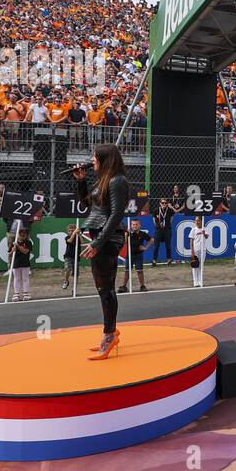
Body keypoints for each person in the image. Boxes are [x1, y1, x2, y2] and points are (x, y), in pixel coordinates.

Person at [75, 144, 131, 359]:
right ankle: (111, 330)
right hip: (100, 236)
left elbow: (116, 214)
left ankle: (109, 335)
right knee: (102, 286)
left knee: (105, 287)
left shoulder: (118, 181)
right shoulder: (105, 180)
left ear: (105, 159)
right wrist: (81, 180)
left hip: (107, 239)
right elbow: (87, 205)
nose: (92, 160)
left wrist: (97, 243)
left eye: (95, 157)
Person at [120, 219, 150, 293]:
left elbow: (151, 240)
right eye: (133, 224)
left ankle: (142, 286)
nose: (135, 226)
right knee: (127, 271)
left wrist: (145, 247)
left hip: (138, 255)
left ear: (139, 225)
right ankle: (124, 286)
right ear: (131, 225)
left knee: (140, 271)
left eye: (136, 224)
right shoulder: (129, 233)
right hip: (129, 255)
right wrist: (126, 235)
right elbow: (125, 242)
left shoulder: (142, 234)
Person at [10, 226, 32, 301]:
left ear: (26, 236)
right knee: (17, 279)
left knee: (25, 278)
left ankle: (26, 293)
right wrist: (12, 250)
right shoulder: (14, 242)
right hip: (16, 263)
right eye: (20, 235)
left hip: (25, 263)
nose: (22, 237)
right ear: (18, 235)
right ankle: (16, 294)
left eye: (24, 235)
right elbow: (9, 253)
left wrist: (18, 246)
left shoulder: (28, 243)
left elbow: (25, 251)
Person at [152, 196, 175, 265]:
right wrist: (158, 226)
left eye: (166, 203)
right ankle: (154, 261)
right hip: (158, 230)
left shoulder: (170, 210)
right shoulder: (156, 210)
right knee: (156, 246)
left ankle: (169, 260)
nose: (164, 204)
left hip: (167, 230)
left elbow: (171, 219)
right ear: (160, 203)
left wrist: (166, 225)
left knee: (168, 246)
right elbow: (154, 219)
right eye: (163, 203)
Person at [189, 215, 208, 287]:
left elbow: (207, 237)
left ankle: (200, 281)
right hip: (195, 250)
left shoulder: (204, 228)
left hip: (203, 250)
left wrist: (204, 233)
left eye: (198, 220)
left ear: (201, 221)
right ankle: (195, 281)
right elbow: (191, 242)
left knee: (201, 266)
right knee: (195, 265)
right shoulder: (193, 230)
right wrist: (192, 251)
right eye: (196, 220)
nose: (197, 222)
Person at [62, 223, 80, 291]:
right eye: (69, 231)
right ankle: (66, 281)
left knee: (76, 273)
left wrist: (79, 235)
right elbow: (69, 241)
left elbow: (82, 242)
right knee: (67, 269)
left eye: (72, 230)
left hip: (76, 257)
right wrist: (74, 233)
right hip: (68, 256)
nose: (70, 232)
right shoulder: (67, 237)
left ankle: (74, 288)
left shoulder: (77, 238)